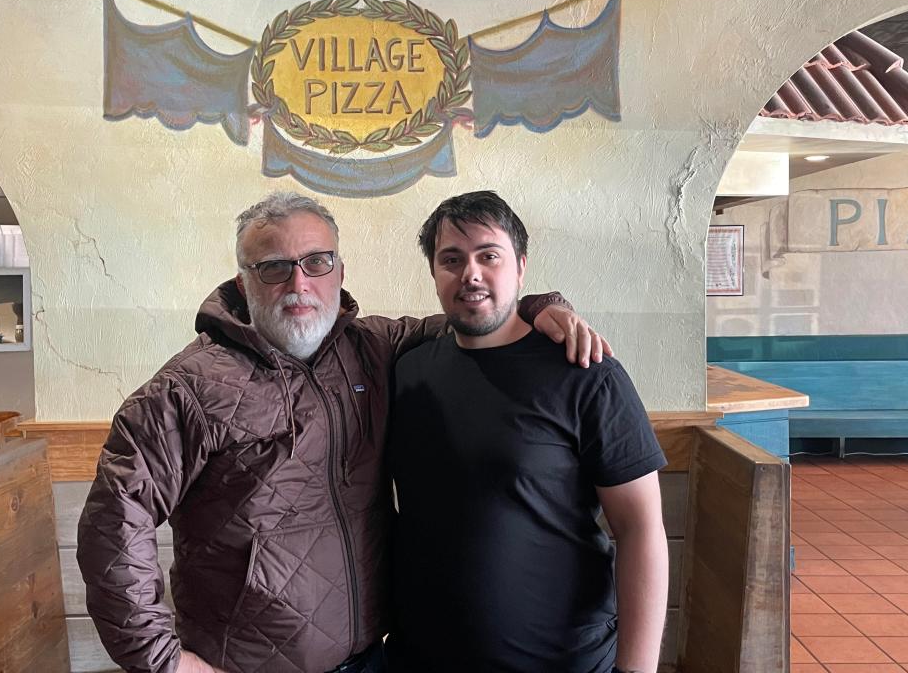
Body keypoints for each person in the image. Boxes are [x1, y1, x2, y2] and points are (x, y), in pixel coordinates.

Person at [76, 192, 609, 673]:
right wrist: (164, 661)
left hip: (375, 654)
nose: (299, 283)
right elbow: (114, 523)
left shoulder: (371, 348)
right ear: (243, 282)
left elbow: (469, 316)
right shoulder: (184, 390)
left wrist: (542, 307)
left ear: (339, 270)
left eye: (316, 262)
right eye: (274, 268)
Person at [386, 191, 669, 673]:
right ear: (434, 273)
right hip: (420, 658)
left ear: (520, 265)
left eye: (488, 255)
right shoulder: (405, 371)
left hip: (563, 661)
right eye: (450, 259)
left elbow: (640, 529)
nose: (470, 273)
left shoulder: (587, 373)